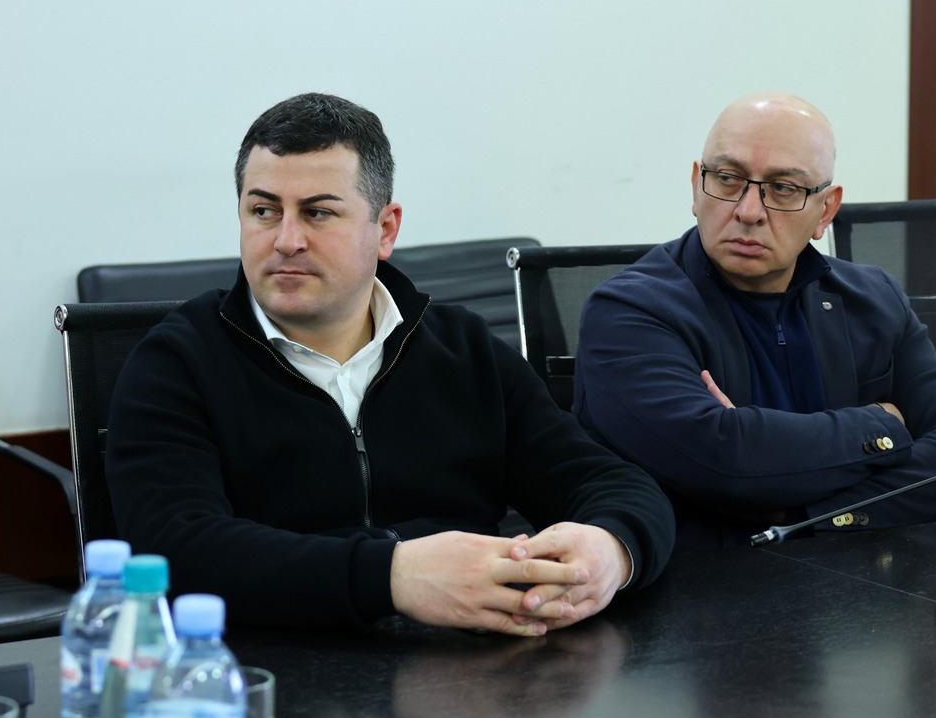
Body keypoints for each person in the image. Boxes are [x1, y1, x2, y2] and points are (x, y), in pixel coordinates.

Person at [106, 93, 675, 638]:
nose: (285, 240)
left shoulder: (464, 349)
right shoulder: (177, 361)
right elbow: (174, 550)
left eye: (318, 213)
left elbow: (611, 483)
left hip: (473, 670)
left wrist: (610, 550)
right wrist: (393, 576)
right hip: (267, 672)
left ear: (385, 230)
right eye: (263, 211)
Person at [575, 92, 936, 548]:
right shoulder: (630, 310)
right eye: (727, 179)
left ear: (825, 211)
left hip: (859, 573)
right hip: (706, 581)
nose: (749, 211)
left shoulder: (874, 298)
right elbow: (728, 463)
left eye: (784, 188)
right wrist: (882, 423)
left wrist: (797, 516)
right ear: (696, 186)